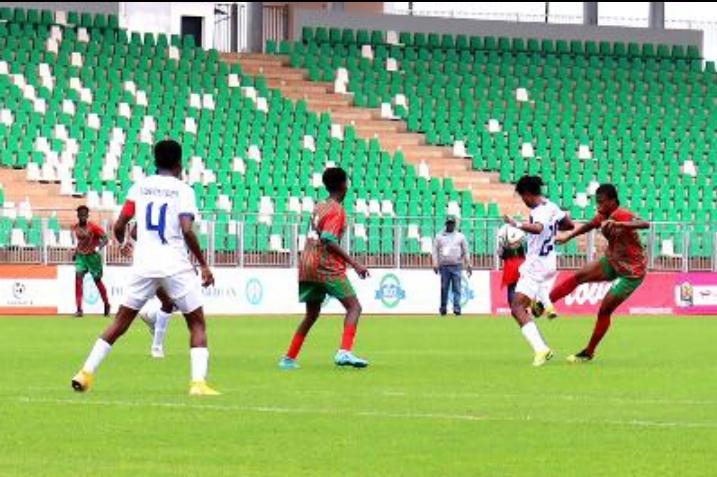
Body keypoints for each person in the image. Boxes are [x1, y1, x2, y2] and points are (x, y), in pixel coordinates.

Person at [71, 140, 219, 396]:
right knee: (196, 323)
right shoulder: (183, 190)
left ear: (155, 160)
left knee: (120, 323)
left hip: (144, 264)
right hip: (175, 264)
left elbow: (119, 226)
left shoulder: (140, 187)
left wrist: (123, 243)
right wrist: (204, 265)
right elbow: (186, 230)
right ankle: (198, 383)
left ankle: (85, 373)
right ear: (179, 164)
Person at [279, 167, 370, 370]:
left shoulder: (319, 206)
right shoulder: (337, 210)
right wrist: (354, 263)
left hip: (306, 264)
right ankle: (344, 351)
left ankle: (289, 358)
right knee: (354, 307)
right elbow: (328, 240)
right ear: (344, 185)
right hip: (325, 265)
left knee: (311, 315)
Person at [550, 183, 649, 362]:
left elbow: (645, 223)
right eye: (597, 202)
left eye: (602, 202)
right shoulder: (602, 216)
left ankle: (589, 351)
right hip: (612, 260)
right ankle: (544, 304)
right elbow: (589, 225)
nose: (598, 206)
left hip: (632, 272)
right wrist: (568, 236)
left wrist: (619, 224)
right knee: (579, 276)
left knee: (604, 310)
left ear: (613, 201)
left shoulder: (622, 214)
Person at [503, 175, 574, 366]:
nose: (523, 201)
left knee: (517, 307)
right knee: (528, 302)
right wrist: (555, 228)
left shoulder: (539, 210)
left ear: (527, 194)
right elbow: (569, 224)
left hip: (537, 265)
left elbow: (538, 227)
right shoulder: (551, 206)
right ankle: (543, 305)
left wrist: (516, 224)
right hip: (549, 263)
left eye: (522, 197)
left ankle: (541, 349)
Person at [121, 224, 176, 359]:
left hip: (166, 263)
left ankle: (152, 317)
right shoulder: (152, 211)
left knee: (175, 302)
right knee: (169, 302)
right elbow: (134, 233)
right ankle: (156, 347)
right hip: (151, 265)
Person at [71, 206, 111, 317]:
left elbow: (106, 238)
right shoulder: (75, 228)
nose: (83, 216)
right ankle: (79, 309)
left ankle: (106, 304)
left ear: (87, 216)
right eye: (80, 214)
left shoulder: (93, 227)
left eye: (85, 214)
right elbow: (81, 242)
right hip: (81, 257)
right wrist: (75, 252)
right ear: (78, 216)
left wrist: (99, 247)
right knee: (78, 278)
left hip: (93, 257)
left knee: (97, 281)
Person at [432, 216, 472, 316]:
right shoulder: (439, 236)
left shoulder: (460, 236)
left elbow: (466, 250)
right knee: (444, 288)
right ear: (446, 224)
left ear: (454, 224)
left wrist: (468, 263)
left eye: (452, 223)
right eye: (449, 223)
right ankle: (443, 308)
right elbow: (435, 251)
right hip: (444, 266)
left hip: (456, 265)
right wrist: (435, 263)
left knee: (457, 288)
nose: (450, 225)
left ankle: (457, 308)